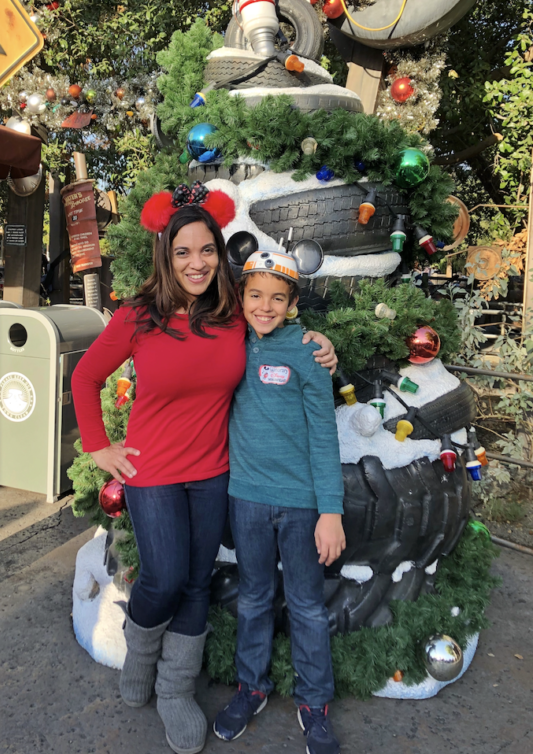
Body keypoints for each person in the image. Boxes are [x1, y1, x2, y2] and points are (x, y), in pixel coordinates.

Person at [71, 182, 338, 754]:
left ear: (221, 254)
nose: (196, 263)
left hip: (214, 472)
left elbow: (278, 331)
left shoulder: (232, 315)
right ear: (167, 256)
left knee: (195, 582)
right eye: (183, 252)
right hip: (155, 473)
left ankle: (174, 690)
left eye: (207, 250)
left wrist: (319, 343)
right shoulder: (140, 316)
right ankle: (140, 655)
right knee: (164, 578)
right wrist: (99, 448)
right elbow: (85, 378)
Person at [213, 250, 345, 754]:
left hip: (302, 506)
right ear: (241, 298)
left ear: (292, 304)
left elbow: (324, 435)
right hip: (245, 500)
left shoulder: (308, 352)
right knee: (253, 597)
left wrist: (329, 511)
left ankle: (314, 704)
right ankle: (252, 687)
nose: (264, 307)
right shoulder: (231, 343)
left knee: (308, 606)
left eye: (277, 298)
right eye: (255, 296)